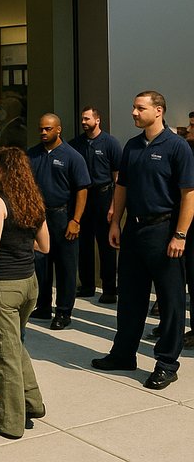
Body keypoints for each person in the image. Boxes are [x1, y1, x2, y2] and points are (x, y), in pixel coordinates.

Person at [92, 91, 194, 390]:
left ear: (158, 110)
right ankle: (123, 354)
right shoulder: (133, 146)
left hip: (164, 232)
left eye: (140, 108)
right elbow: (121, 187)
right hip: (134, 232)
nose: (134, 113)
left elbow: (189, 195)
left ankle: (166, 363)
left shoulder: (177, 148)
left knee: (170, 300)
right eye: (134, 107)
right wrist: (115, 222)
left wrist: (180, 234)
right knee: (130, 297)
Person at [0, 147, 50, 439]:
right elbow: (44, 246)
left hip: (3, 287)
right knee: (14, 344)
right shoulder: (33, 200)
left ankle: (10, 421)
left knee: (3, 355)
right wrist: (17, 246)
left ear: (5, 169)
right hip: (29, 284)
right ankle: (32, 402)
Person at [27, 114, 90, 330]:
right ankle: (43, 306)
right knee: (41, 263)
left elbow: (82, 189)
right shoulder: (33, 154)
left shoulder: (73, 156)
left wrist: (76, 220)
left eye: (48, 129)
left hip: (63, 216)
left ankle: (64, 311)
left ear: (58, 130)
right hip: (39, 217)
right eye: (41, 129)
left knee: (65, 266)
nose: (43, 133)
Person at [69, 107, 122, 303]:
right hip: (83, 197)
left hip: (103, 196)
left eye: (87, 118)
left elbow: (117, 176)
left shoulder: (110, 143)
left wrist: (113, 205)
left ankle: (109, 288)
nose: (83, 122)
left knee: (106, 244)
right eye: (82, 118)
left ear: (97, 120)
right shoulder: (76, 144)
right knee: (83, 243)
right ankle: (87, 284)